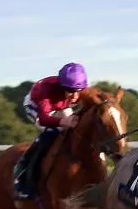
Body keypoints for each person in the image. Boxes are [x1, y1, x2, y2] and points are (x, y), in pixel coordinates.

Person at [14, 62, 88, 199]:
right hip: (35, 106)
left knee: (75, 129)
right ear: (62, 86)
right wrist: (62, 122)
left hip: (61, 105)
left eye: (78, 91)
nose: (75, 96)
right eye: (70, 91)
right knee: (52, 132)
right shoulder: (46, 90)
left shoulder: (76, 91)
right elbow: (43, 119)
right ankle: (23, 171)